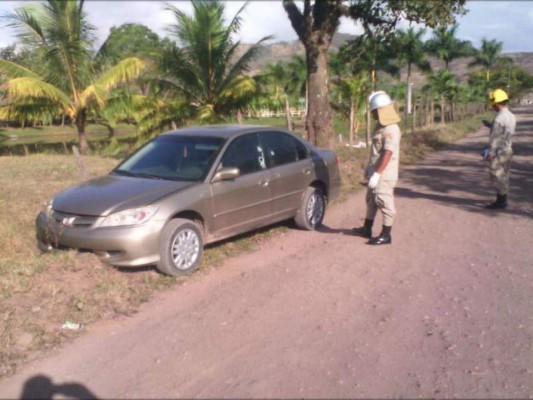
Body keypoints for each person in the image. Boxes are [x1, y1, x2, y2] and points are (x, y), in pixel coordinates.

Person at [353, 90, 401, 245]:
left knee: (384, 201)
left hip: (384, 173)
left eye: (374, 111)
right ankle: (367, 228)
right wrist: (370, 169)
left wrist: (378, 173)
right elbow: (375, 152)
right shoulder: (380, 127)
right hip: (376, 170)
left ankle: (386, 234)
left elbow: (388, 152)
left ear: (381, 111)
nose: (372, 114)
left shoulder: (391, 129)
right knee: (371, 200)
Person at [482, 88, 516, 209]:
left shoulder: (499, 118)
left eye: (493, 104)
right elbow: (503, 131)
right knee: (505, 174)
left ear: (497, 103)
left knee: (497, 174)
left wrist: (490, 154)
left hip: (499, 151)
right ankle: (502, 199)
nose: (492, 107)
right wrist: (491, 125)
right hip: (507, 149)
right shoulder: (511, 116)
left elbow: (495, 138)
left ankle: (501, 201)